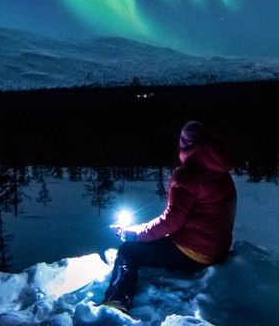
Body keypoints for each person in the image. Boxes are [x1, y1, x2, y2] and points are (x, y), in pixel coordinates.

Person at [100, 121, 237, 313]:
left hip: (195, 252)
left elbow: (171, 221)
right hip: (216, 248)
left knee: (128, 250)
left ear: (186, 145)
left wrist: (134, 234)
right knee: (152, 242)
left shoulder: (187, 176)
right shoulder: (219, 171)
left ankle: (116, 301)